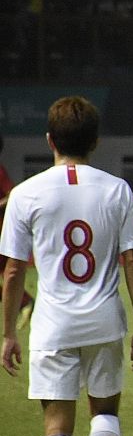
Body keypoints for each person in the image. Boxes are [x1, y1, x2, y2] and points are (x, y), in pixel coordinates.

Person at [1, 96, 133, 436]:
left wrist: (8, 331)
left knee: (56, 426)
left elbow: (12, 270)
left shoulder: (26, 193)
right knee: (104, 411)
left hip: (52, 324)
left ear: (49, 140)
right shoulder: (115, 189)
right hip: (104, 320)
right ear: (96, 142)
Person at [0, 133, 35, 329]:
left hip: (2, 233)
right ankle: (25, 301)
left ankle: (25, 302)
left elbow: (12, 193)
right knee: (8, 274)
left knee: (9, 273)